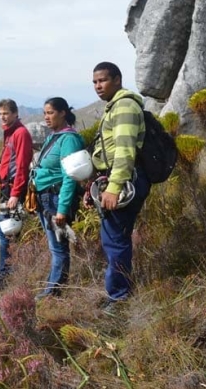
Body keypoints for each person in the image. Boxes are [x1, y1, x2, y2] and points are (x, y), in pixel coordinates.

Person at [90, 62, 151, 310]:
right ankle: (118, 292)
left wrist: (114, 187)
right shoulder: (114, 106)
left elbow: (125, 151)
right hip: (117, 178)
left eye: (102, 80)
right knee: (113, 238)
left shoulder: (124, 106)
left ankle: (119, 297)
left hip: (125, 180)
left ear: (117, 79)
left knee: (115, 240)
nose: (97, 86)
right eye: (94, 82)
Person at [33, 97, 85, 300]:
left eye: (51, 112)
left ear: (63, 113)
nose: (46, 117)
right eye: (45, 113)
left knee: (58, 248)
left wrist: (62, 209)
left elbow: (69, 177)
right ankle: (54, 289)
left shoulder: (68, 139)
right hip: (46, 198)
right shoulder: (55, 136)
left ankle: (53, 294)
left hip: (55, 199)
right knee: (55, 246)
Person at [0, 99, 34, 291]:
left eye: (6, 113)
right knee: (7, 231)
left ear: (16, 113)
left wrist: (16, 194)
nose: (3, 117)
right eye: (0, 114)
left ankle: (4, 275)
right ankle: (8, 271)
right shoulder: (9, 132)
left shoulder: (20, 133)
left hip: (12, 191)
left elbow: (23, 165)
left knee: (5, 231)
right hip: (6, 188)